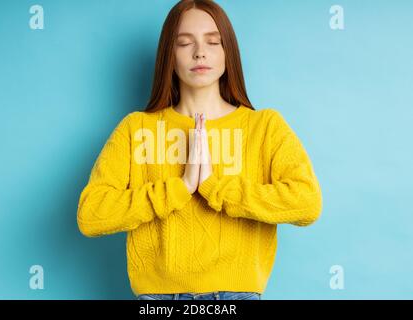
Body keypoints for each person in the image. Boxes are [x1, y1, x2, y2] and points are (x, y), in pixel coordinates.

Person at [77, 0, 322, 301]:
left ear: (227, 51)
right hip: (158, 300)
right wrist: (179, 187)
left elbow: (307, 203)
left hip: (236, 297)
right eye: (184, 43)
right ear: (170, 54)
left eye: (213, 41)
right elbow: (91, 215)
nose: (199, 52)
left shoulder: (264, 126)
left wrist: (213, 187)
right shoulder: (136, 129)